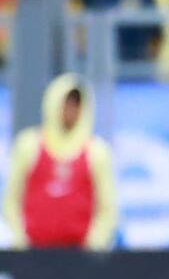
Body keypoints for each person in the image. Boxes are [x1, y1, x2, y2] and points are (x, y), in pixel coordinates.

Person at [3, 73, 117, 250]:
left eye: (76, 105)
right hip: (34, 253)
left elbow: (108, 206)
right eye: (66, 104)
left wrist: (93, 246)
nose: (71, 111)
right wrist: (21, 242)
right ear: (53, 104)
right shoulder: (29, 145)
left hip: (79, 256)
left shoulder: (96, 151)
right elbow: (11, 199)